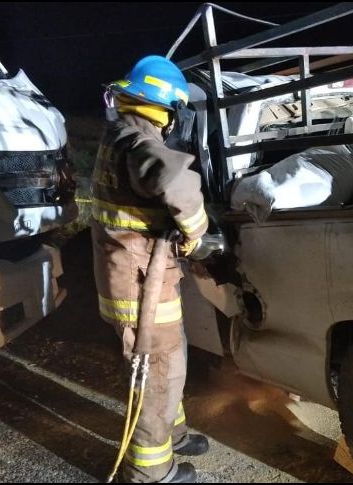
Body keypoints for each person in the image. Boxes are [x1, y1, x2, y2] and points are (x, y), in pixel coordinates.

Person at [90, 55, 210, 483]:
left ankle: (172, 436)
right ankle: (150, 472)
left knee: (169, 357)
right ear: (166, 108)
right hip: (140, 283)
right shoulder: (139, 140)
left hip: (141, 275)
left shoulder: (118, 132)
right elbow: (175, 182)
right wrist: (197, 228)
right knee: (157, 371)